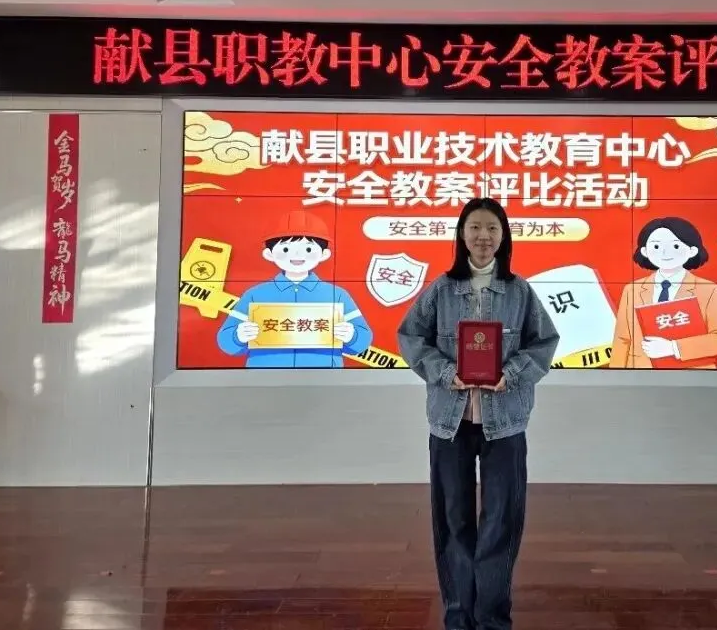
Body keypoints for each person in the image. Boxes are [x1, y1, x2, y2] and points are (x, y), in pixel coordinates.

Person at [398, 197, 559, 630]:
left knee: (501, 522)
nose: (483, 236)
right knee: (453, 520)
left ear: (503, 236)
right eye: (474, 228)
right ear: (461, 234)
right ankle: (458, 616)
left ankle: (492, 618)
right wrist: (443, 372)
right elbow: (411, 337)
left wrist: (513, 373)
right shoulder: (441, 289)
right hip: (449, 423)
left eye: (492, 228)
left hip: (504, 422)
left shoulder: (520, 291)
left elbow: (543, 343)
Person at [217, 210, 373, 367]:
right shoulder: (255, 294)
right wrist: (238, 336)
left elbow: (363, 338)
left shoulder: (337, 295)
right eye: (285, 249)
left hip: (323, 375)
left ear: (324, 254)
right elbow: (225, 340)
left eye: (308, 249)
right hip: (265, 375)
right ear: (269, 254)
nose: (297, 255)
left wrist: (352, 335)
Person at [609, 216, 717, 369]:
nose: (664, 253)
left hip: (692, 374)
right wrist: (615, 376)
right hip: (640, 373)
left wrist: (673, 347)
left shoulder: (710, 290)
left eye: (676, 246)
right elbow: (622, 339)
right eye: (656, 246)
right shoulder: (632, 290)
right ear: (644, 251)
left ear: (692, 250)